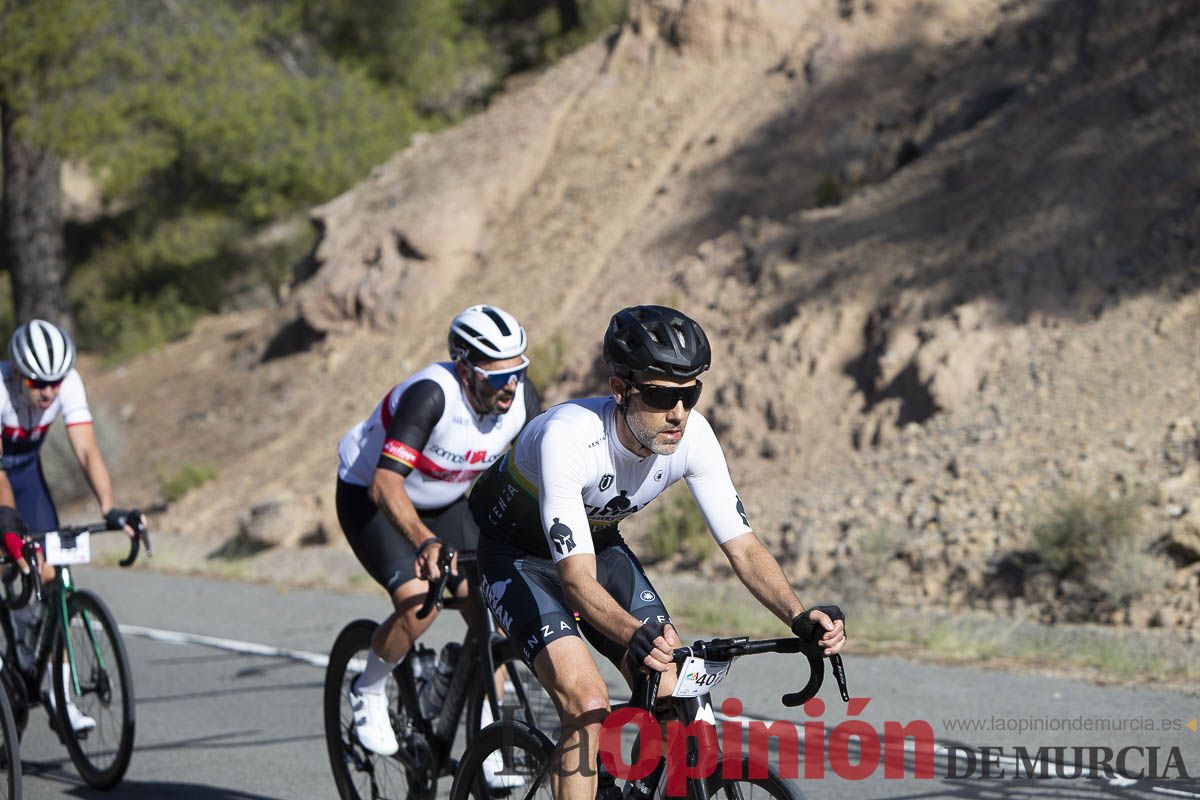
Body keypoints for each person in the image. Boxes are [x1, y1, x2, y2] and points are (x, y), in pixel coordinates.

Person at [468, 305, 847, 799]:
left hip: (599, 548)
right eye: (661, 395)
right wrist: (635, 635)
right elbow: (577, 583)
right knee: (587, 704)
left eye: (690, 394)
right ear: (621, 389)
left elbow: (745, 548)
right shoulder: (568, 438)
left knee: (678, 691)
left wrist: (798, 616)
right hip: (518, 558)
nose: (679, 413)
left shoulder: (694, 437)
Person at [336, 304, 541, 757]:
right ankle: (368, 688)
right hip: (375, 498)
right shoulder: (431, 395)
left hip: (446, 499)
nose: (510, 385)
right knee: (420, 605)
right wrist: (425, 542)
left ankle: (490, 718)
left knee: (498, 605)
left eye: (519, 371)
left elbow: (533, 481)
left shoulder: (522, 400)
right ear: (465, 370)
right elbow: (385, 484)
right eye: (495, 377)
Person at [0, 318, 139, 733]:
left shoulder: (68, 384)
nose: (48, 392)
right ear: (18, 372)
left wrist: (110, 507)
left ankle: (57, 693)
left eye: (55, 382)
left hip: (25, 478)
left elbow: (86, 449)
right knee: (9, 558)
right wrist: (8, 526)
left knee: (53, 578)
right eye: (38, 382)